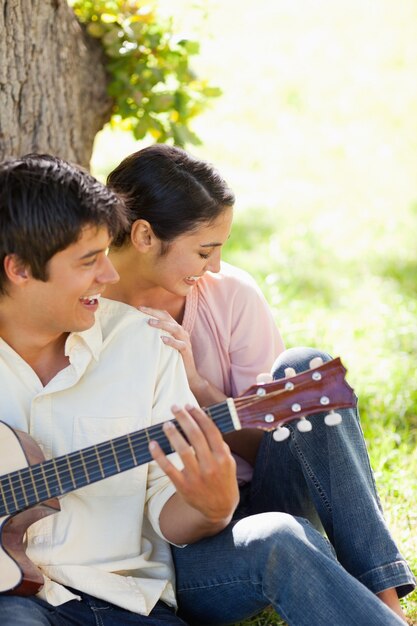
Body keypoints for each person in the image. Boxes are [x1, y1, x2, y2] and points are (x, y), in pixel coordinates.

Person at [105, 144, 415, 625]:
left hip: (262, 496)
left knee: (303, 368)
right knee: (272, 539)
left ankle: (384, 597)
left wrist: (196, 384)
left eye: (219, 250)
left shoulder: (229, 294)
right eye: (204, 250)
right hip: (179, 547)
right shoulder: (82, 316)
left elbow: (270, 443)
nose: (213, 266)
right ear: (144, 235)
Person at [0, 154, 239, 626]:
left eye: (108, 255)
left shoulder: (144, 343)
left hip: (124, 602)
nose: (110, 276)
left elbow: (163, 509)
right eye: (90, 261)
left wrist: (210, 508)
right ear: (21, 268)